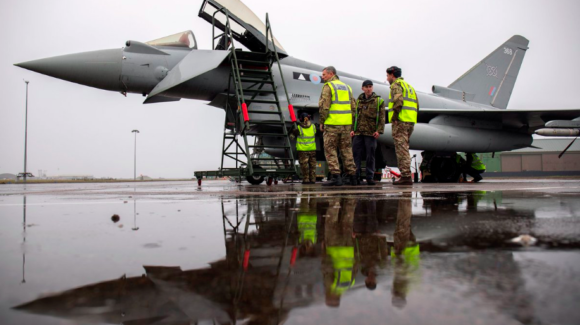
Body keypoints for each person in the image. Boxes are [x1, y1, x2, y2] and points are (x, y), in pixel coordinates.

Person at [319, 66, 357, 186]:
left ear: (331, 74)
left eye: (324, 74)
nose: (322, 77)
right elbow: (353, 108)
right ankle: (353, 178)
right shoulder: (347, 87)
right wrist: (351, 124)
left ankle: (336, 177)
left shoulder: (328, 86)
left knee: (330, 151)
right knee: (347, 151)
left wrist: (322, 122)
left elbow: (324, 106)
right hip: (346, 125)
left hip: (332, 125)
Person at [387, 66, 419, 186]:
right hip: (410, 121)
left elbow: (398, 101)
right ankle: (405, 175)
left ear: (392, 75)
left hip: (400, 121)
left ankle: (405, 176)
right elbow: (417, 104)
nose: (387, 78)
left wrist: (394, 117)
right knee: (404, 147)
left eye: (387, 76)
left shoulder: (396, 85)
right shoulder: (409, 87)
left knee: (401, 149)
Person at [351, 80, 386, 185]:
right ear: (362, 88)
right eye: (366, 87)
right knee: (355, 154)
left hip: (370, 133)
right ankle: (355, 176)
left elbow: (382, 117)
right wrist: (352, 129)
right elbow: (354, 116)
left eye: (370, 86)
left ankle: (370, 177)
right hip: (358, 132)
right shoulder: (358, 101)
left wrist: (379, 130)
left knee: (370, 155)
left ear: (372, 88)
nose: (368, 88)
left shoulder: (379, 101)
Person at [291, 113, 317, 184]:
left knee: (304, 166)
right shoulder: (313, 126)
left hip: (302, 150)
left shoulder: (298, 128)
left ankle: (306, 180)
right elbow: (315, 133)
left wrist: (293, 131)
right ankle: (313, 180)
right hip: (312, 149)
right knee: (313, 165)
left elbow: (292, 137)